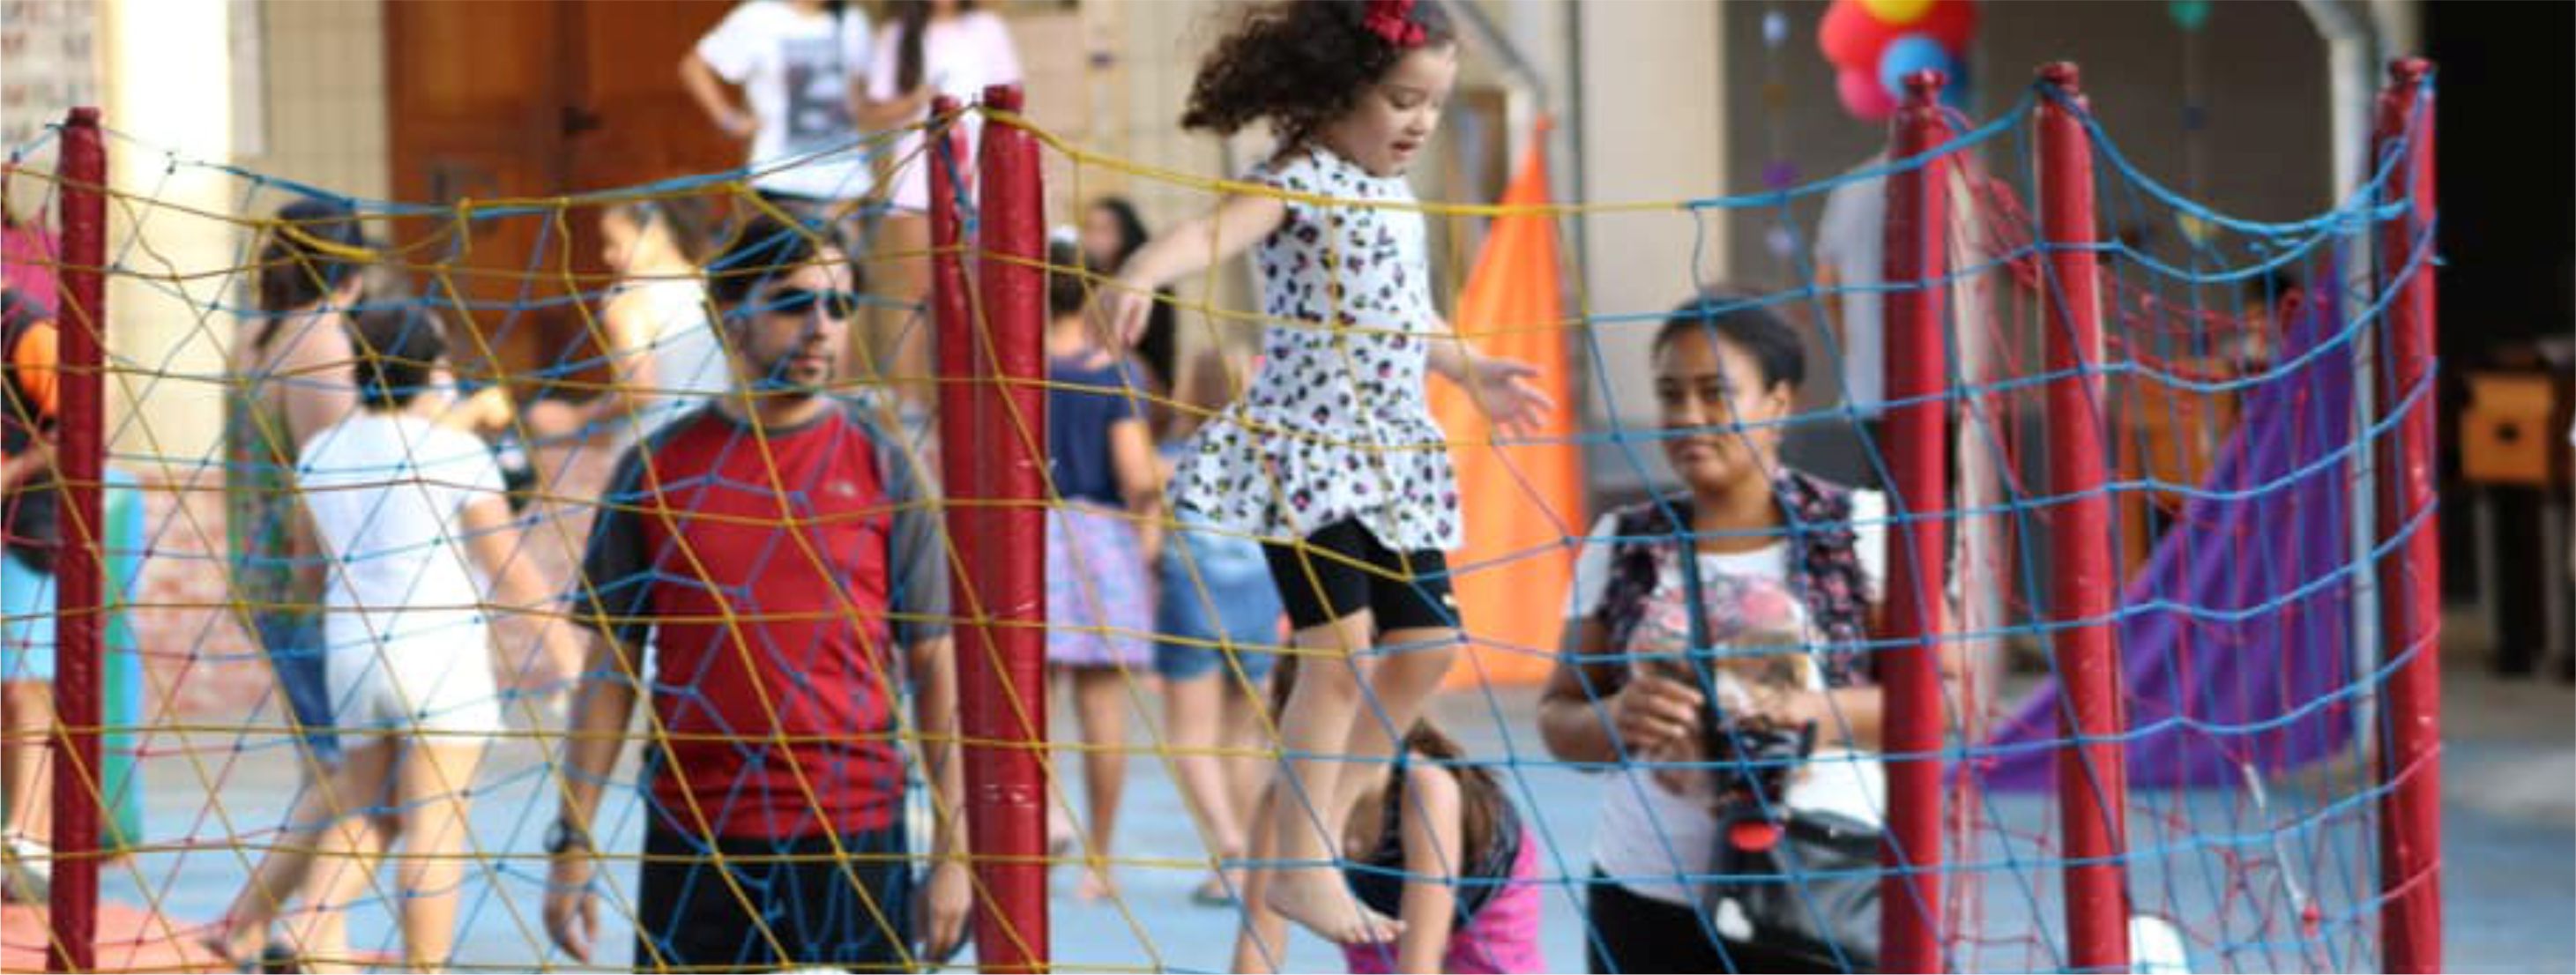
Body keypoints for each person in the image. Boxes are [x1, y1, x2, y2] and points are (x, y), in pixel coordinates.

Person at [1095, 0, 1553, 945]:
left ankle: (1330, 799)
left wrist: (1473, 367)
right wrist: (1143, 268)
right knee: (1337, 652)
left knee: (1426, 644)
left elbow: (1408, 316)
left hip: (1392, 455)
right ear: (1333, 96)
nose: (1421, 121)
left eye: (1433, 103)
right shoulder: (1300, 177)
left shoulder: (1395, 195)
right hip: (1310, 447)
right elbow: (1209, 234)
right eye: (1401, 100)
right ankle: (1301, 859)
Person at [542, 216, 969, 970]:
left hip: (854, 831)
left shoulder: (881, 461)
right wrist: (572, 844)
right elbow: (610, 673)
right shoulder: (656, 469)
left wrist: (955, 850)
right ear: (725, 313)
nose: (821, 329)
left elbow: (936, 664)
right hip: (697, 836)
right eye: (793, 302)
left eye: (840, 307)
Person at [1537, 293, 1969, 973]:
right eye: (1670, 395)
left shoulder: (1861, 526)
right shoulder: (1622, 541)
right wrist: (1619, 718)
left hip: (1816, 888)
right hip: (1647, 896)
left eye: (1716, 394)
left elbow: (1947, 701)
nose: (1688, 418)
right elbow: (1559, 717)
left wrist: (1810, 713)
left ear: (1778, 401)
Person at [209, 306, 582, 971]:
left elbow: (307, 566)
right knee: (436, 823)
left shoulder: (322, 452)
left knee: (365, 809)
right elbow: (507, 564)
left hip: (353, 653)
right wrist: (563, 648)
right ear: (431, 369)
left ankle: (301, 931)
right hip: (437, 652)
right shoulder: (453, 449)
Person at [224, 196, 391, 964]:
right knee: (360, 776)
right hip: (306, 584)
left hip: (262, 576)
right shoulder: (320, 340)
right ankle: (265, 924)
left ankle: (319, 941)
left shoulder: (254, 339)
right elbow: (331, 481)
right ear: (349, 269)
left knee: (324, 766)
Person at [1232, 656, 1545, 975]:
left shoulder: (1426, 790)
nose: (1333, 740)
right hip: (1377, 902)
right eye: (1316, 725)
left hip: (1486, 897)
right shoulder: (1281, 804)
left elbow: (1420, 963)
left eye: (1348, 723)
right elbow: (1257, 942)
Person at [1037, 238, 1160, 901]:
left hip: (1032, 538)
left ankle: (1046, 819)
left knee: (1035, 700)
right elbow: (1135, 475)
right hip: (1100, 539)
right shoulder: (1116, 371)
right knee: (1102, 707)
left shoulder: (1017, 367)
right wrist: (1152, 522)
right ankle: (1100, 859)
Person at [1151, 346, 1284, 908]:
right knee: (1245, 739)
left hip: (1194, 601)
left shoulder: (1169, 460)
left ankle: (1231, 847)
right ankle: (1253, 853)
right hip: (1256, 598)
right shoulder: (1266, 458)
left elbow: (1151, 528)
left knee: (1190, 738)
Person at [863, 0, 1022, 406]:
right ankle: (912, 402)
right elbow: (877, 110)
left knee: (975, 291)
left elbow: (1011, 103)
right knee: (918, 294)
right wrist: (921, 98)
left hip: (978, 176)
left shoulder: (986, 27)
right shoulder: (896, 35)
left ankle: (974, 398)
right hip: (916, 180)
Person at [525, 199, 729, 450]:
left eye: (615, 243)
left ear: (653, 236)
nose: (607, 256)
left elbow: (639, 391)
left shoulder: (628, 298)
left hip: (654, 450)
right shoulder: (717, 288)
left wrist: (575, 418)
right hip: (719, 441)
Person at [681, 0, 891, 234]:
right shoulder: (758, 17)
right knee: (786, 265)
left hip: (845, 180)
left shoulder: (851, 21)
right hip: (780, 178)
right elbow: (695, 66)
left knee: (842, 267)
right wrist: (730, 120)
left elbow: (862, 99)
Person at [0, 286, 57, 902]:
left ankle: (32, 836)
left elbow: (82, 427)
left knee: (25, 687)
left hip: (28, 535)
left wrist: (12, 473)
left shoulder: (28, 329)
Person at [1078, 197, 1179, 402]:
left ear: (1125, 235)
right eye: (1088, 229)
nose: (1092, 238)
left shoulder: (1149, 286)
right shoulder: (1080, 282)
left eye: (1103, 230)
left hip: (1142, 389)